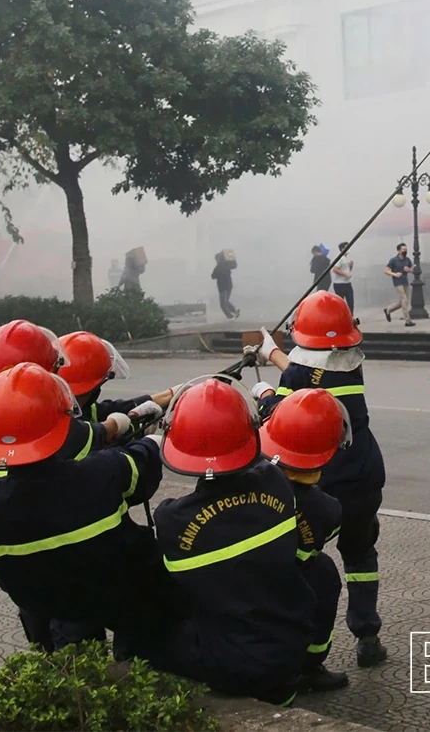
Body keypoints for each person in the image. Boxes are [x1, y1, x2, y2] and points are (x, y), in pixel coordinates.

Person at [0, 363, 172, 650]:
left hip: (43, 602)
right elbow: (140, 466)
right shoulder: (101, 473)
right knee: (149, 621)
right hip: (118, 594)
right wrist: (151, 439)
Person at [137, 377, 316, 705]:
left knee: (138, 633)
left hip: (230, 663)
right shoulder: (276, 483)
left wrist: (143, 443)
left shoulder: (173, 520)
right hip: (290, 647)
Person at [254, 292, 388, 669]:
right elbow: (313, 372)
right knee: (360, 552)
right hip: (363, 477)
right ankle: (367, 636)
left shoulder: (295, 376)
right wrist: (274, 355)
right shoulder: (351, 365)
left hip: (319, 481)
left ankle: (305, 651)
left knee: (307, 561)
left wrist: (264, 391)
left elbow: (280, 415)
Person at [254, 387, 351, 692]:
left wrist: (266, 395)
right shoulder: (327, 511)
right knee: (324, 574)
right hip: (289, 585)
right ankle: (310, 666)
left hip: (239, 584)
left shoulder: (248, 475)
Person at [383, 243, 415, 326]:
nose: (405, 251)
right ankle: (408, 321)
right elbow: (386, 271)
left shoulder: (407, 260)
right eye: (403, 249)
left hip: (405, 281)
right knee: (404, 300)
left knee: (403, 302)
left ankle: (388, 309)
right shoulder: (393, 260)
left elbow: (412, 269)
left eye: (406, 249)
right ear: (399, 251)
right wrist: (394, 274)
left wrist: (409, 270)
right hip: (398, 282)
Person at [211, 252, 239, 320]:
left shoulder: (218, 267)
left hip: (223, 288)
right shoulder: (227, 265)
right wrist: (233, 259)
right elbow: (234, 265)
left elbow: (213, 276)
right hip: (229, 286)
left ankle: (230, 317)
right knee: (226, 302)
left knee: (223, 305)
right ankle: (235, 310)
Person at [332, 243, 355, 314]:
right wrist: (345, 274)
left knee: (350, 302)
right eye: (347, 247)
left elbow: (347, 270)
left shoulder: (346, 258)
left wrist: (351, 266)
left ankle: (350, 316)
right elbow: (335, 269)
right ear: (342, 249)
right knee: (340, 303)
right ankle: (340, 316)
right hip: (339, 284)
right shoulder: (340, 258)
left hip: (347, 283)